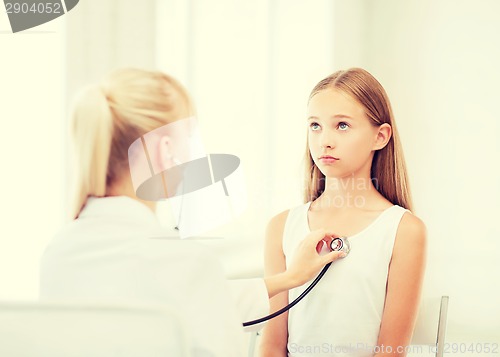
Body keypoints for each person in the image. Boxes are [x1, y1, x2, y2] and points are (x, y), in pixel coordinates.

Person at [39, 68, 345, 357]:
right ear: (164, 150)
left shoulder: (59, 252)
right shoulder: (183, 262)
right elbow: (194, 295)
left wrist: (290, 277)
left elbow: (189, 298)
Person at [259, 68, 427, 357]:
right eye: (315, 125)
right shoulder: (281, 227)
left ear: (380, 136)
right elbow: (272, 346)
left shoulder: (405, 231)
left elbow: (390, 352)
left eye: (342, 126)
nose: (325, 140)